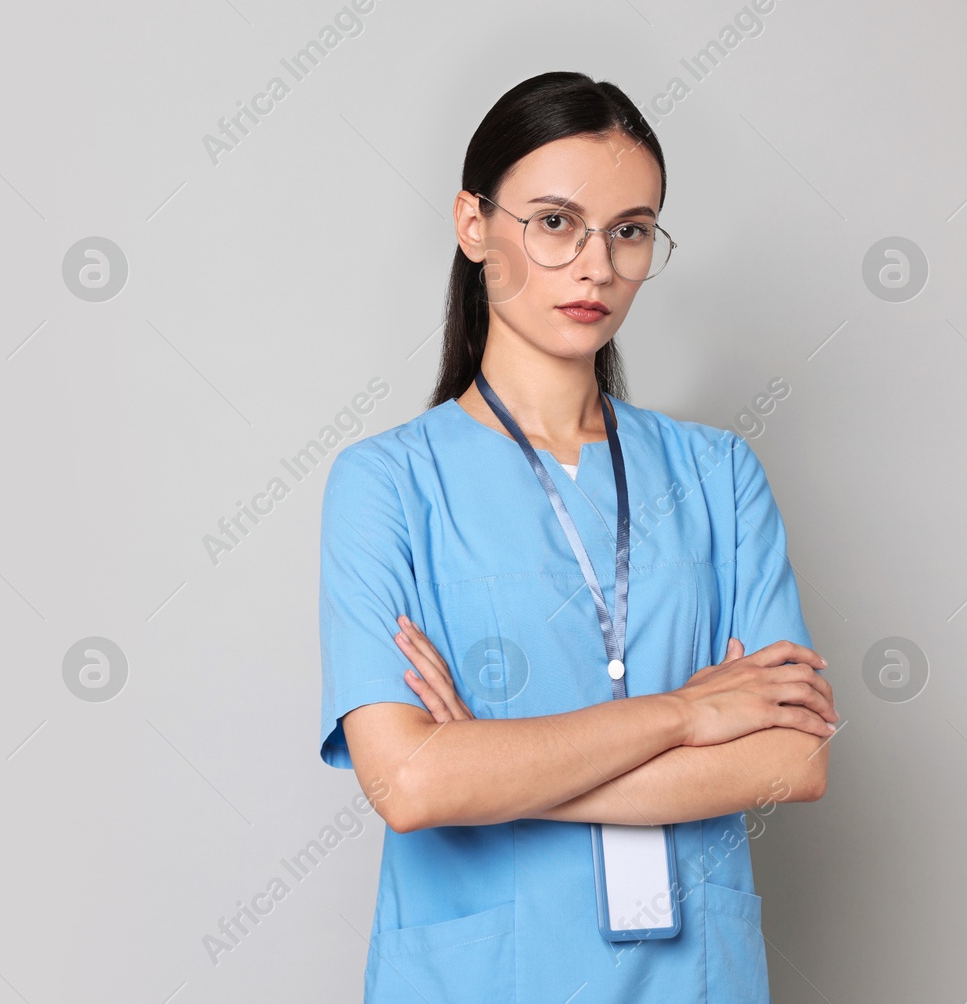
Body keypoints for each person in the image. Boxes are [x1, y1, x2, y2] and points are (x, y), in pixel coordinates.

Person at [316, 71, 837, 1003]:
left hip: (695, 978)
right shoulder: (385, 483)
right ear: (474, 224)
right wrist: (685, 716)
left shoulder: (718, 474)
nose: (596, 265)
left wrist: (493, 763)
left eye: (630, 230)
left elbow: (791, 759)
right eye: (556, 222)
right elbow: (409, 786)